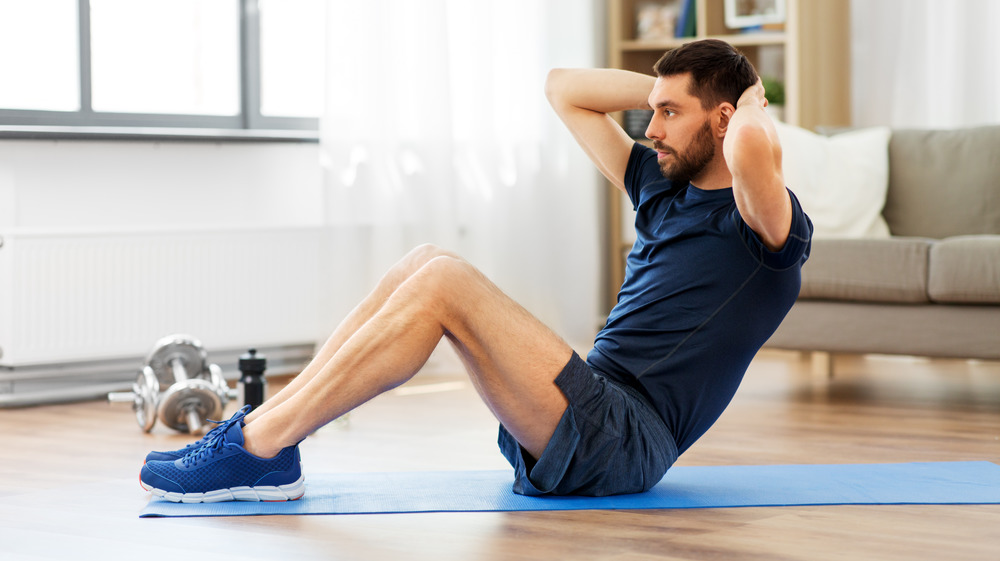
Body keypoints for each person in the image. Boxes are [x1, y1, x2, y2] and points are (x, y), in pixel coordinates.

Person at [140, 38, 812, 503]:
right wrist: (673, 89)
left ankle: (259, 449)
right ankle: (264, 431)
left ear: (723, 120)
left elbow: (752, 144)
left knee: (446, 283)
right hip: (577, 412)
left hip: (625, 440)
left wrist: (743, 98)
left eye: (669, 114)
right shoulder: (663, 185)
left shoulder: (762, 227)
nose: (652, 127)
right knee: (425, 261)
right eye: (653, 111)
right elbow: (564, 89)